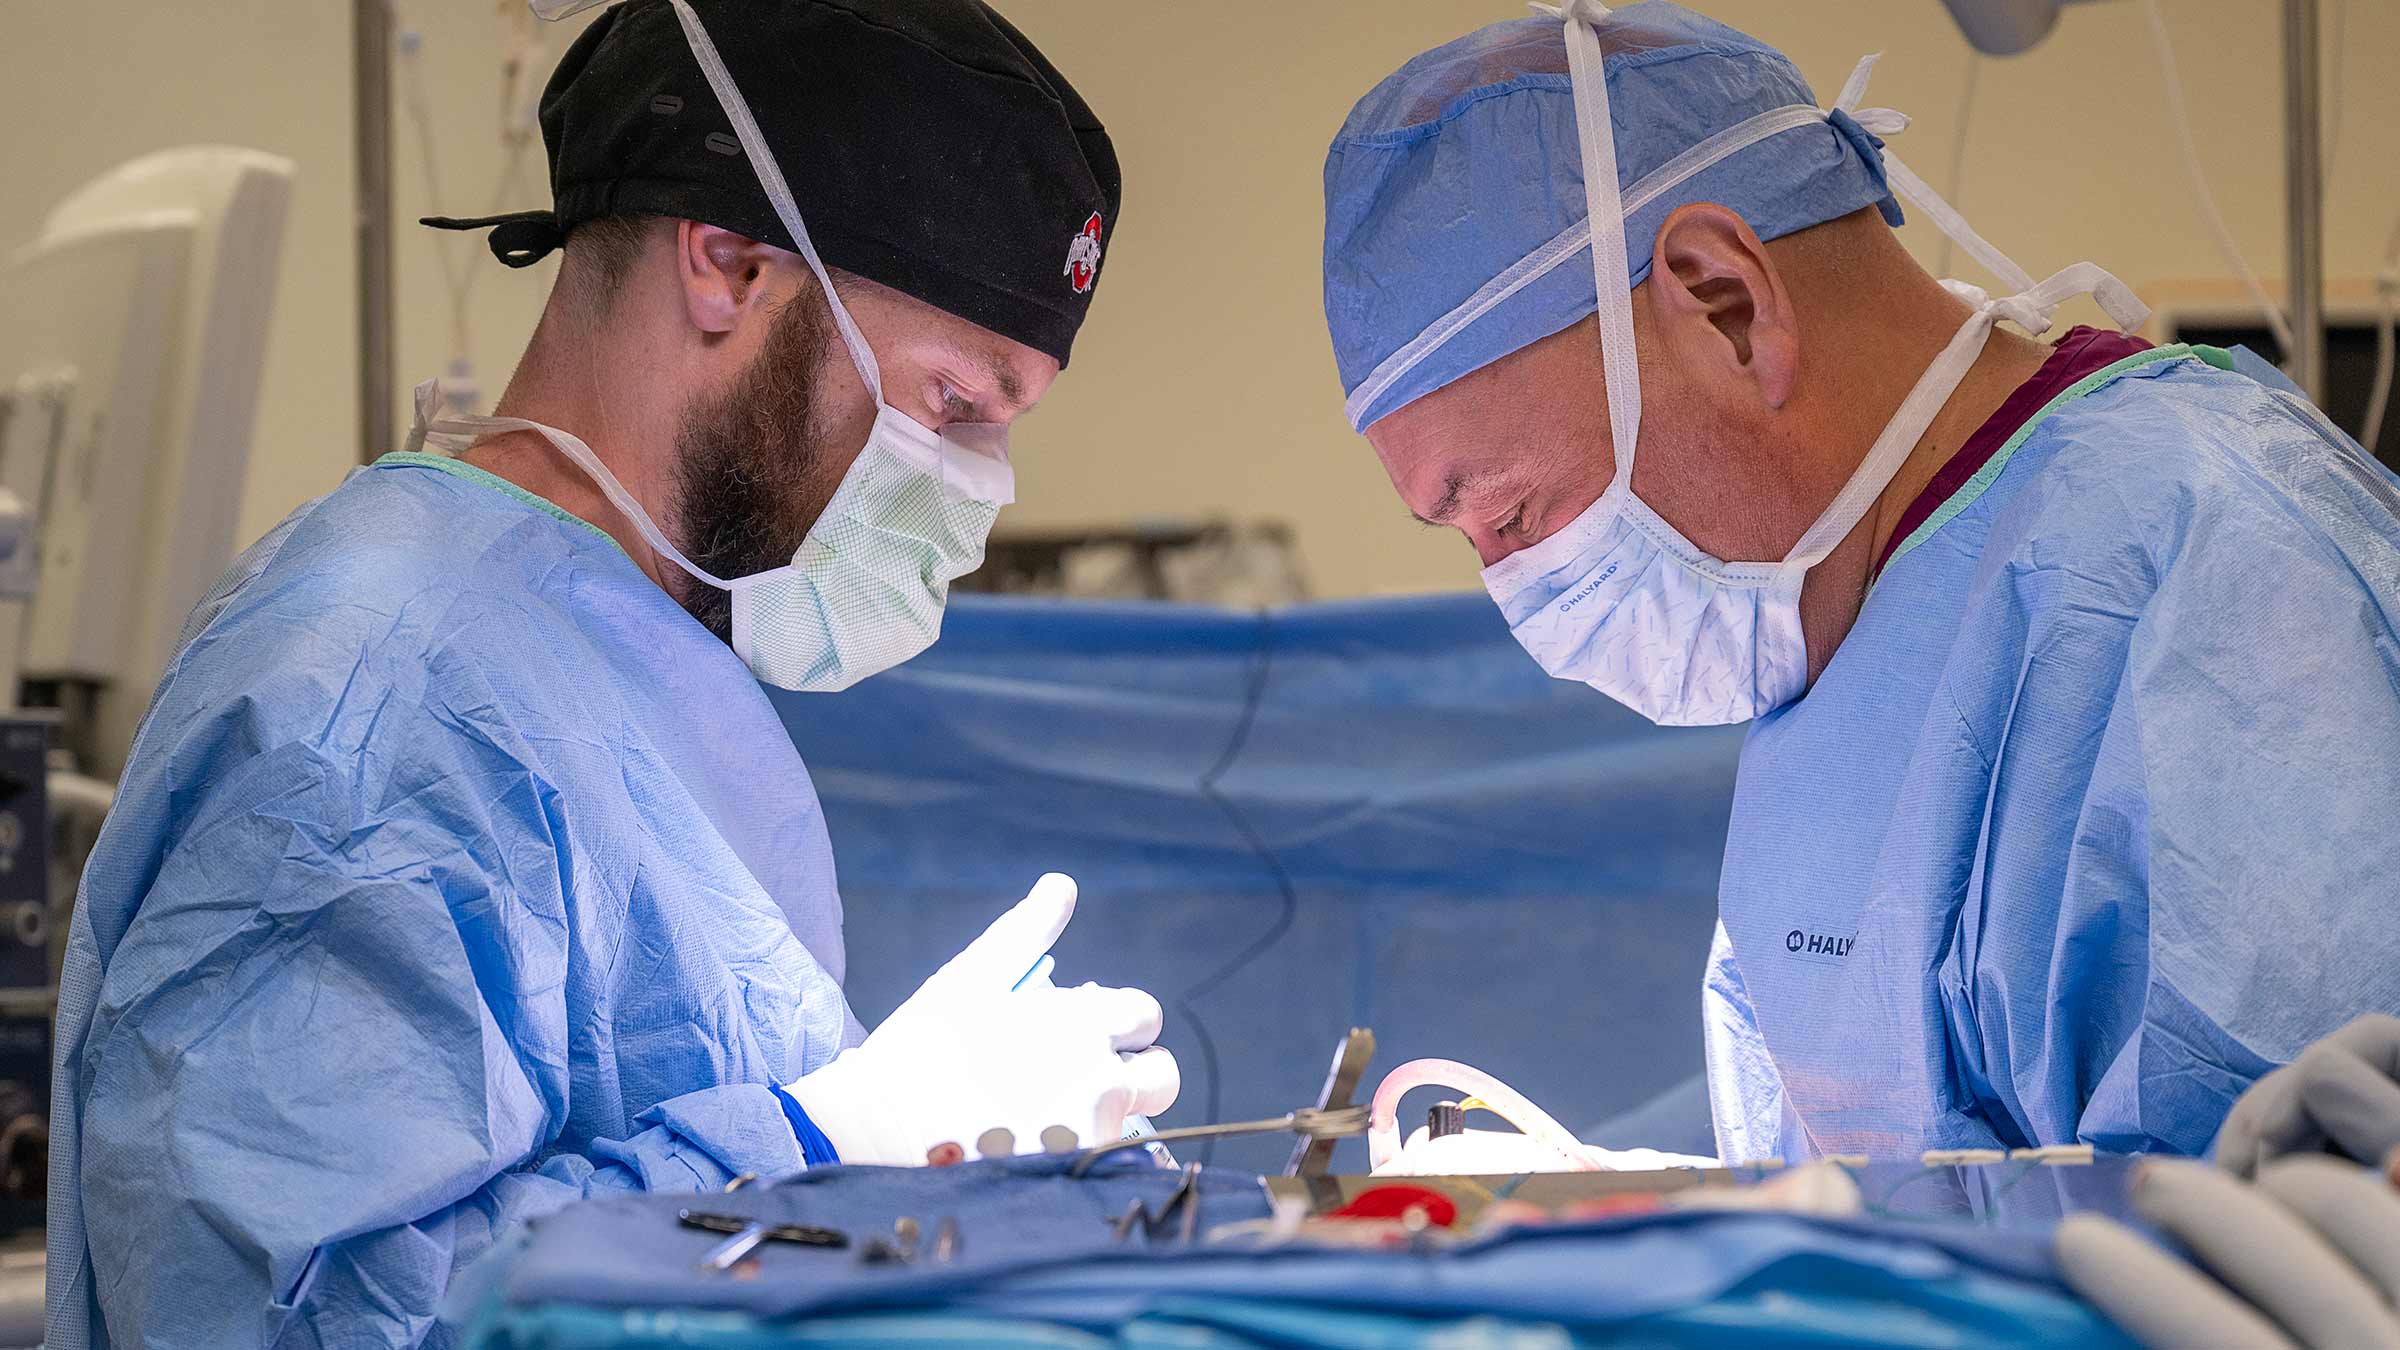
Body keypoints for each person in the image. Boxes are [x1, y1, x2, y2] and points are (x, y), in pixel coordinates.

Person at [47, 1, 1174, 1345]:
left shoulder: (630, 652)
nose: (976, 488)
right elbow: (294, 1313)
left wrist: (905, 1185)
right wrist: (821, 1139)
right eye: (953, 404)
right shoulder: (369, 699)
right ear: (728, 267)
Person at [1322, 0, 2400, 1168]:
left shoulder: (2199, 575)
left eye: (1512, 515)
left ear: (1725, 303)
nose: (1520, 590)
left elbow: (2298, 1248)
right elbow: (1892, 1167)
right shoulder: (1849, 617)